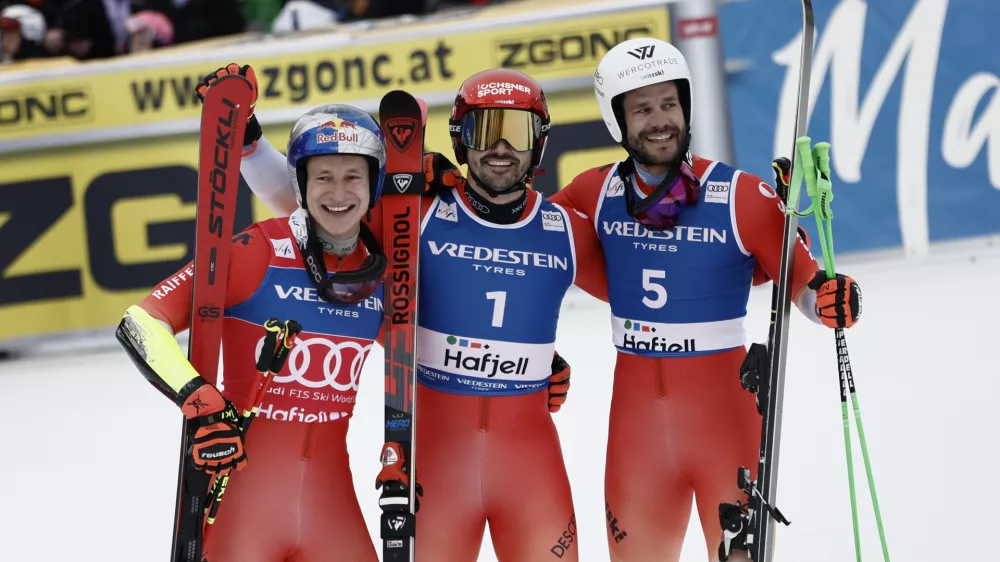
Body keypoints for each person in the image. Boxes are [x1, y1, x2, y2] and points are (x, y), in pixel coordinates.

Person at [231, 64, 609, 560]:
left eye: (515, 130)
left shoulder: (564, 226)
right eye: (483, 130)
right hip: (437, 467)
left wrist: (540, 360)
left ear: (539, 142)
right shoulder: (417, 209)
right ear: (459, 139)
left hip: (531, 471)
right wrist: (248, 140)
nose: (499, 147)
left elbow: (657, 296)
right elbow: (305, 199)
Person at [543, 38, 863, 562]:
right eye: (642, 109)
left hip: (726, 418)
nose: (660, 120)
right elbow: (522, 248)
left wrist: (826, 300)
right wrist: (531, 361)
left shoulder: (739, 193)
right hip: (636, 430)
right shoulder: (591, 192)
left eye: (670, 104)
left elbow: (803, 283)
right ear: (616, 120)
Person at [116, 89, 392, 560]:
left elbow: (436, 350)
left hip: (331, 507)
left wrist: (537, 362)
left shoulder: (381, 275)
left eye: (353, 177)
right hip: (242, 505)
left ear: (374, 184)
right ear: (301, 184)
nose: (340, 193)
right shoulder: (259, 248)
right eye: (323, 177)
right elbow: (141, 321)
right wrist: (199, 399)